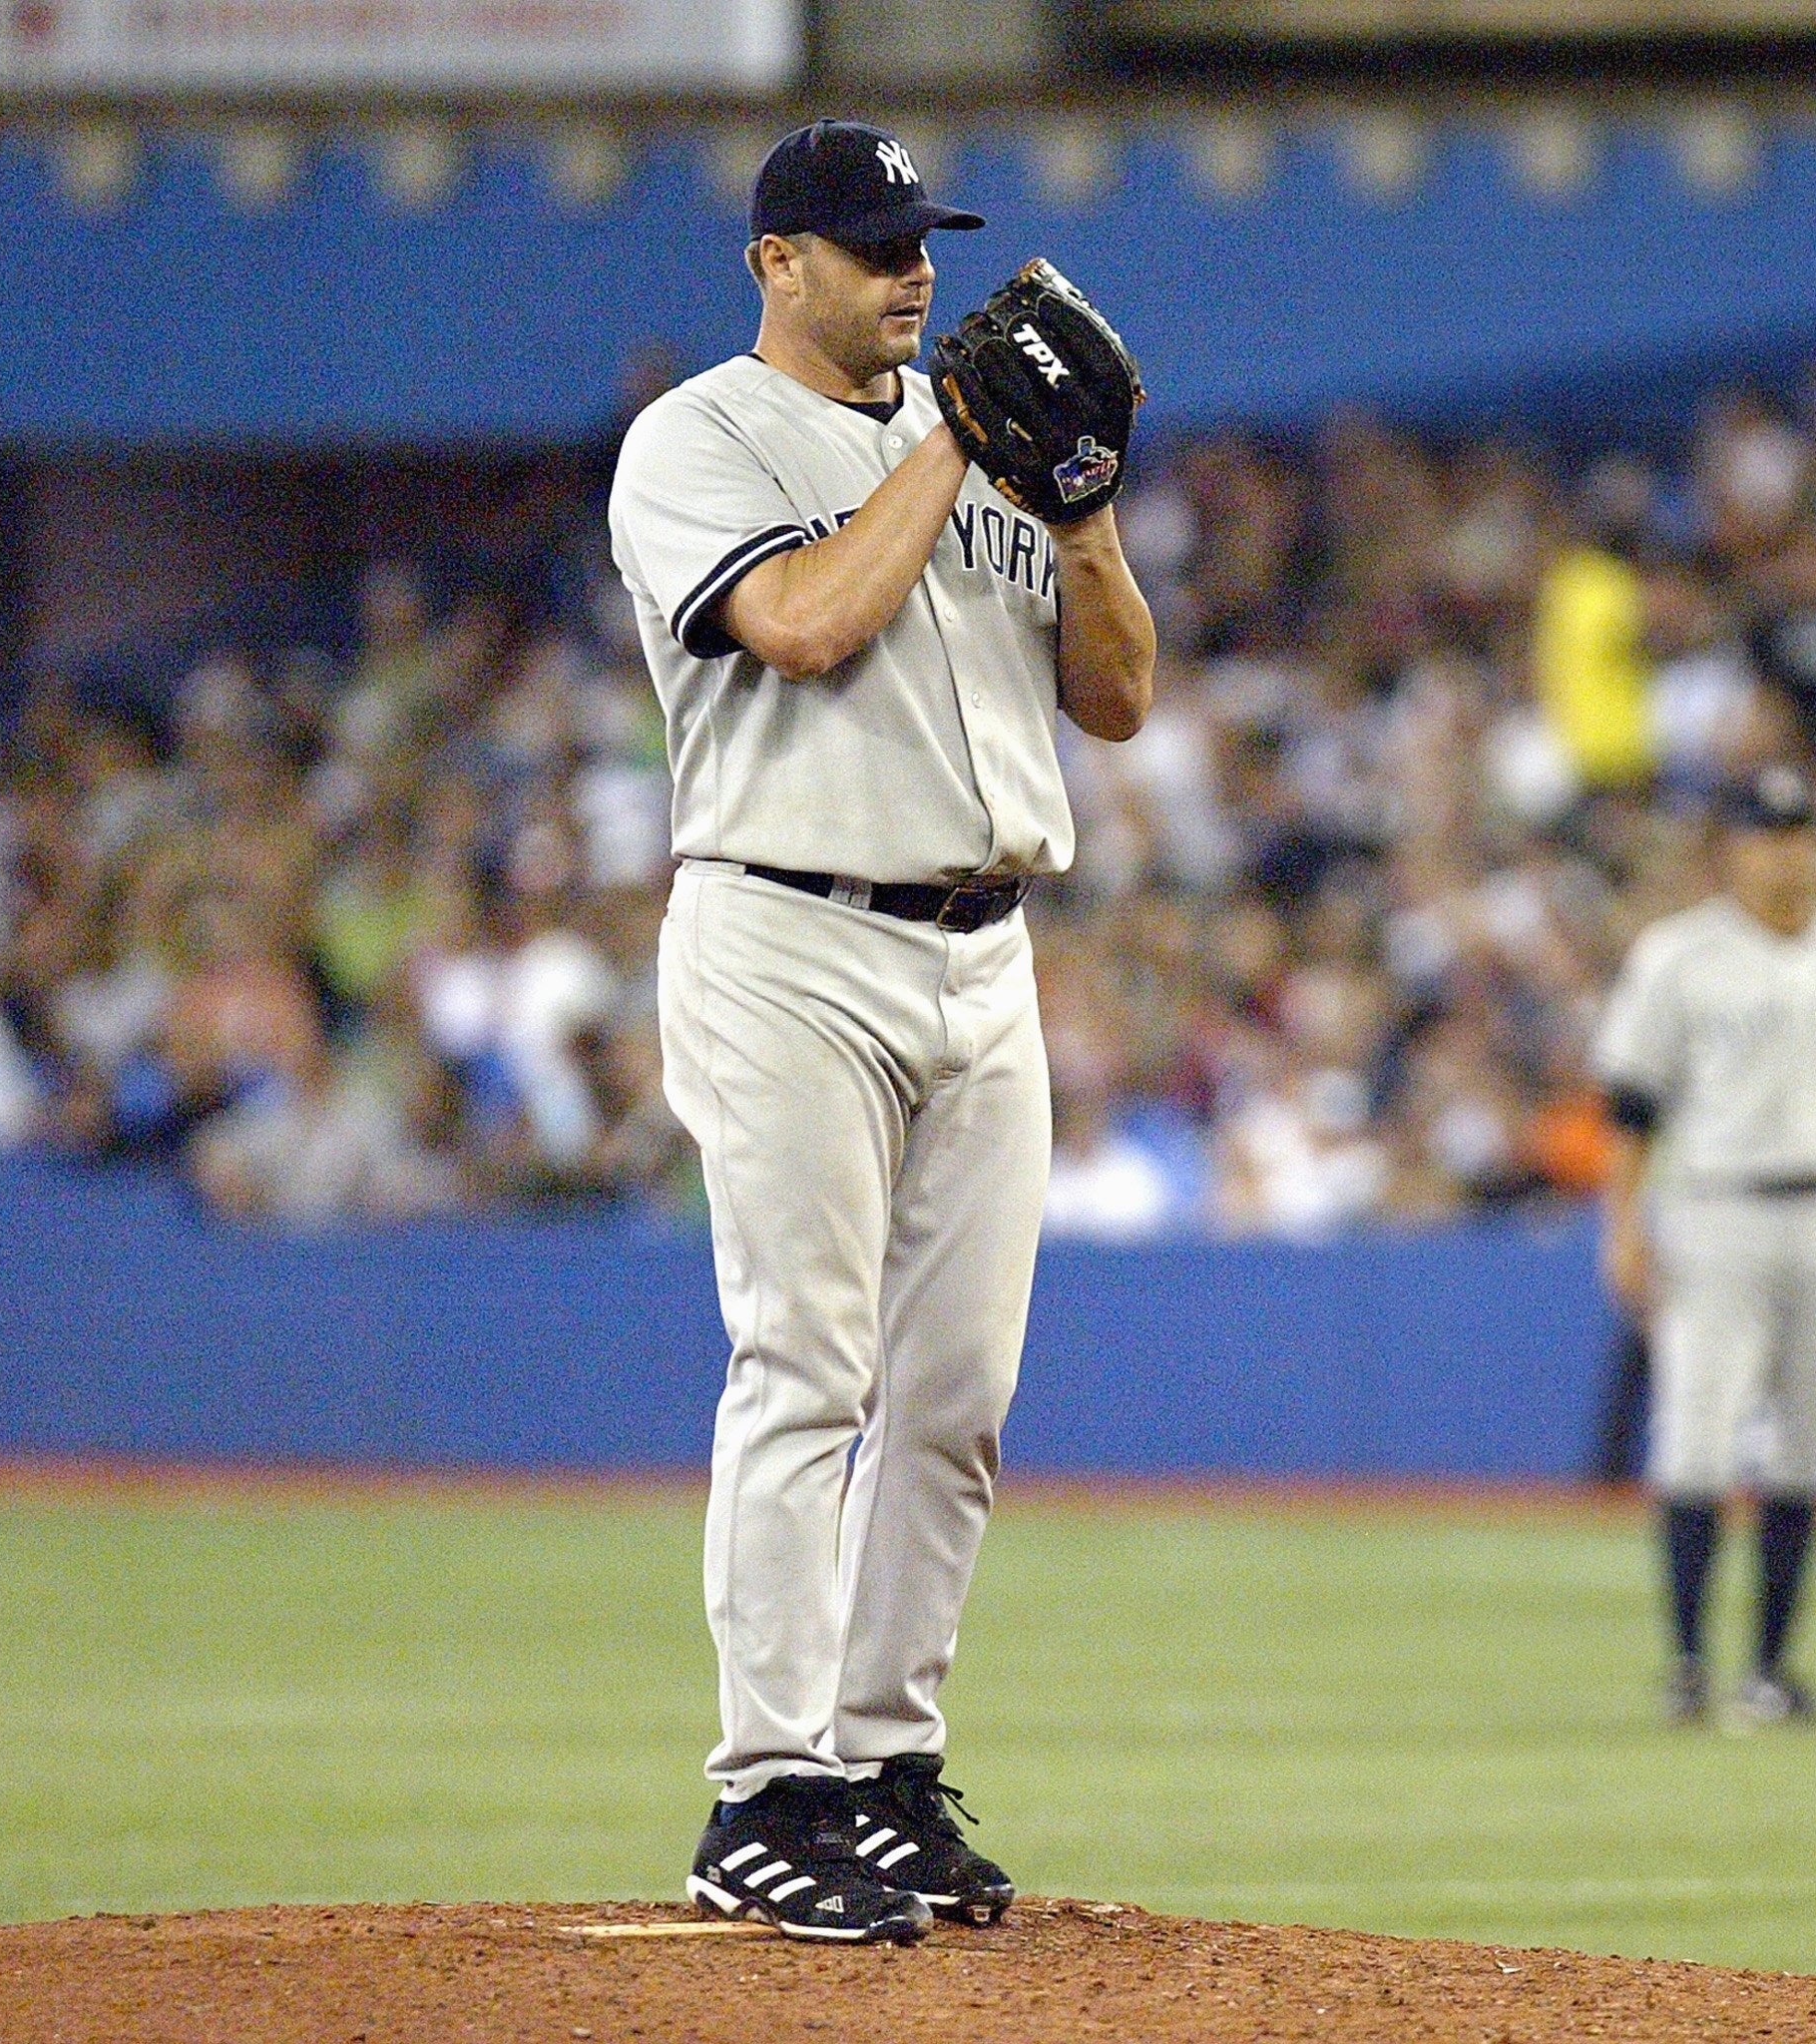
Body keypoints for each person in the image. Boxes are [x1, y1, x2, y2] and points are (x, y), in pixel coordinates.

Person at [606, 118, 1154, 1945]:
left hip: (983, 947)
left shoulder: (976, 451)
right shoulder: (696, 438)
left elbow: (1120, 696)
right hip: (788, 936)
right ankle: (766, 1784)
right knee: (806, 1369)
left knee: (956, 1397)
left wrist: (1077, 516)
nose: (912, 271)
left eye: (921, 240)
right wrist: (953, 445)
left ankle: (882, 1758)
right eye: (868, 244)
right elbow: (806, 619)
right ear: (776, 264)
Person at [1591, 765, 1816, 1728]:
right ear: (1731, 851)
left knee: (1806, 1442)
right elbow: (1631, 1105)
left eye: (1797, 834)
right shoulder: (1678, 956)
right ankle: (1685, 1664)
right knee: (1697, 1435)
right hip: (1713, 1210)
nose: (1783, 853)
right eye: (1763, 834)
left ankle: (1770, 1668)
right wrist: (1621, 1224)